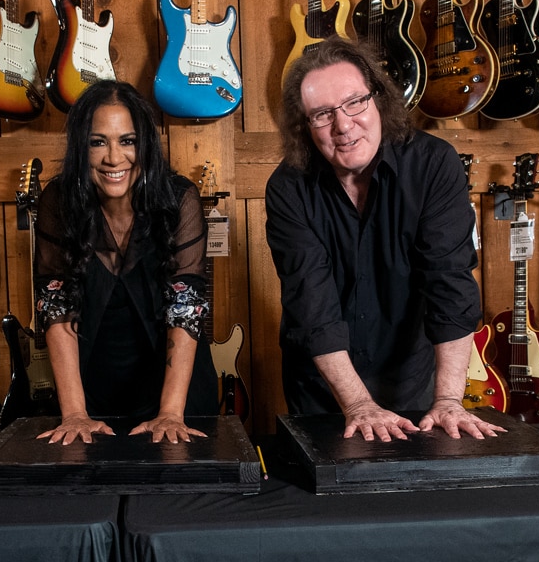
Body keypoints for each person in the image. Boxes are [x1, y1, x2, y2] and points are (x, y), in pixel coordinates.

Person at [265, 37, 505, 442]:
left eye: (354, 102)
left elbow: (450, 283)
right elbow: (311, 303)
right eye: (322, 114)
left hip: (411, 378)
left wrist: (449, 399)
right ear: (304, 127)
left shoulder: (433, 165)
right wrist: (357, 404)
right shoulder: (288, 187)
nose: (343, 125)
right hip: (324, 388)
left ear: (379, 99)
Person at [34, 80, 218, 446]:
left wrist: (169, 413)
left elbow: (186, 309)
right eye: (97, 141)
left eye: (127, 141)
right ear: (80, 148)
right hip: (88, 391)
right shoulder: (58, 200)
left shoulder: (179, 199)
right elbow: (56, 307)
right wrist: (74, 413)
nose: (113, 158)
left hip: (175, 390)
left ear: (145, 145)